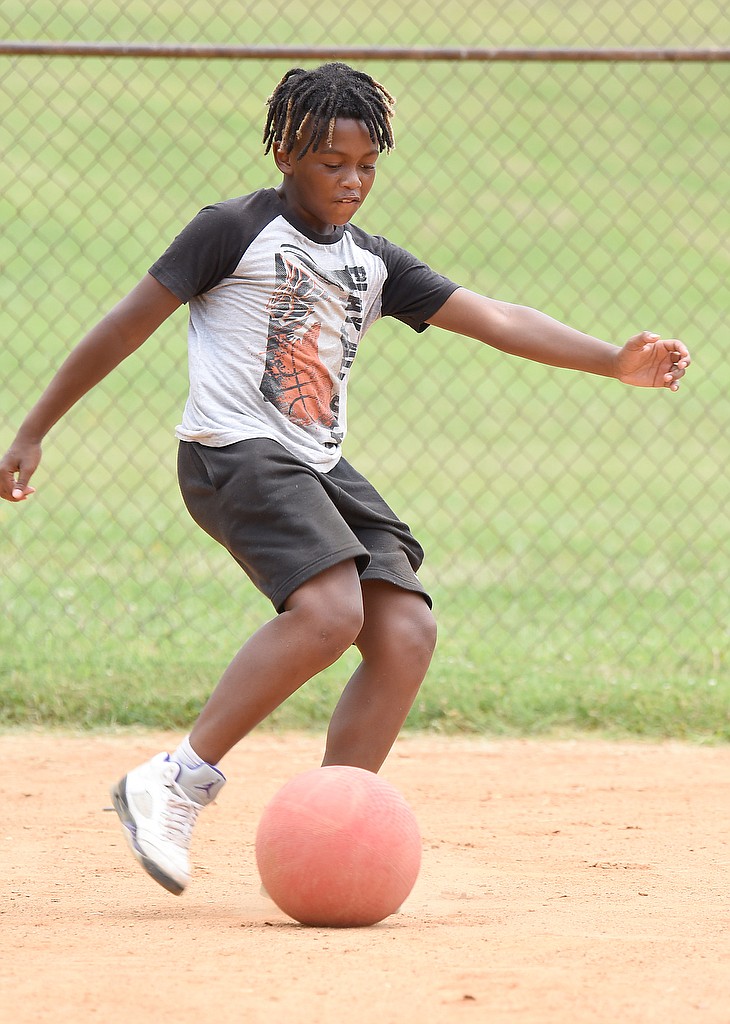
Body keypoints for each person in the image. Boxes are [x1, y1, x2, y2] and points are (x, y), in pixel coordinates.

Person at [0, 63, 690, 896]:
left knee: (404, 636)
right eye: (334, 162)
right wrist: (35, 430)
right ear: (289, 151)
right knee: (330, 611)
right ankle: (174, 779)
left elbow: (496, 318)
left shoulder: (371, 262)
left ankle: (332, 828)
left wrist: (611, 362)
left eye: (368, 164)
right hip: (234, 452)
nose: (354, 180)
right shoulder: (231, 229)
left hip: (316, 465)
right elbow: (123, 327)